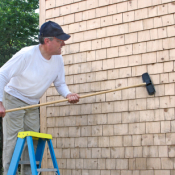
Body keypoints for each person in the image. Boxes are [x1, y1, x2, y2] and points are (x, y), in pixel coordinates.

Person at [0, 21, 79, 175]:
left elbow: (60, 83)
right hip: (14, 98)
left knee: (32, 143)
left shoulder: (58, 60)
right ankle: (10, 173)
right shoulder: (27, 54)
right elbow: (2, 74)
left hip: (32, 103)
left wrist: (68, 94)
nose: (63, 44)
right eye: (59, 40)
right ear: (47, 41)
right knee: (14, 141)